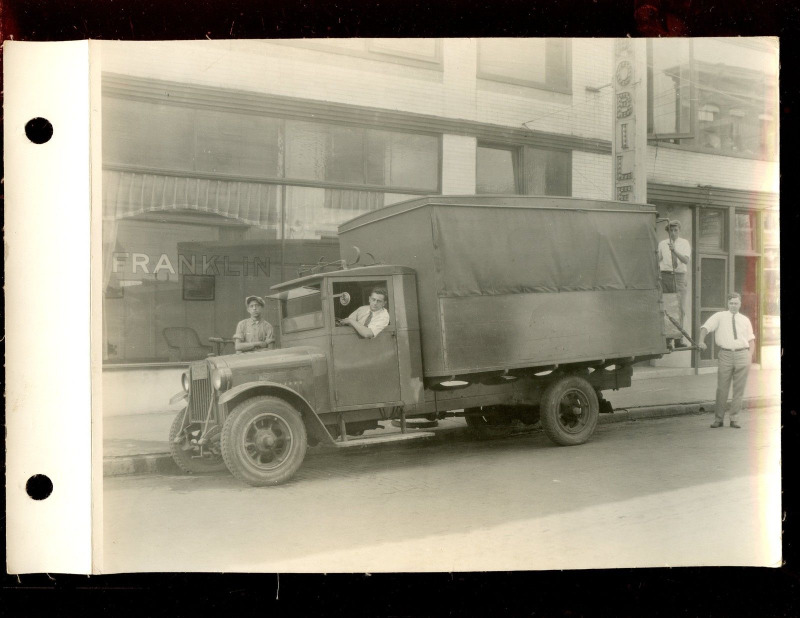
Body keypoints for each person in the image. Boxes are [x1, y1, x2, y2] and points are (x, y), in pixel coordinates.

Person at [697, 292, 755, 429]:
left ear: (740, 304)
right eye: (731, 303)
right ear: (727, 304)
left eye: (736, 303)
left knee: (738, 389)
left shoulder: (745, 320)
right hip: (725, 355)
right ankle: (718, 419)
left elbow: (751, 340)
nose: (733, 306)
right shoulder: (719, 316)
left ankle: (734, 419)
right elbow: (705, 328)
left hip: (742, 355)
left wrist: (749, 357)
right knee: (722, 388)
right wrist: (701, 341)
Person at [658, 219, 691, 347]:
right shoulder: (662, 243)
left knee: (680, 308)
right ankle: (668, 339)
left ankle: (679, 339)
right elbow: (658, 259)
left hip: (679, 277)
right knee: (667, 306)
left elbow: (685, 260)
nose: (673, 232)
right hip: (665, 276)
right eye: (671, 230)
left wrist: (674, 250)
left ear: (679, 230)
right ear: (668, 231)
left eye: (676, 230)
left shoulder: (684, 243)